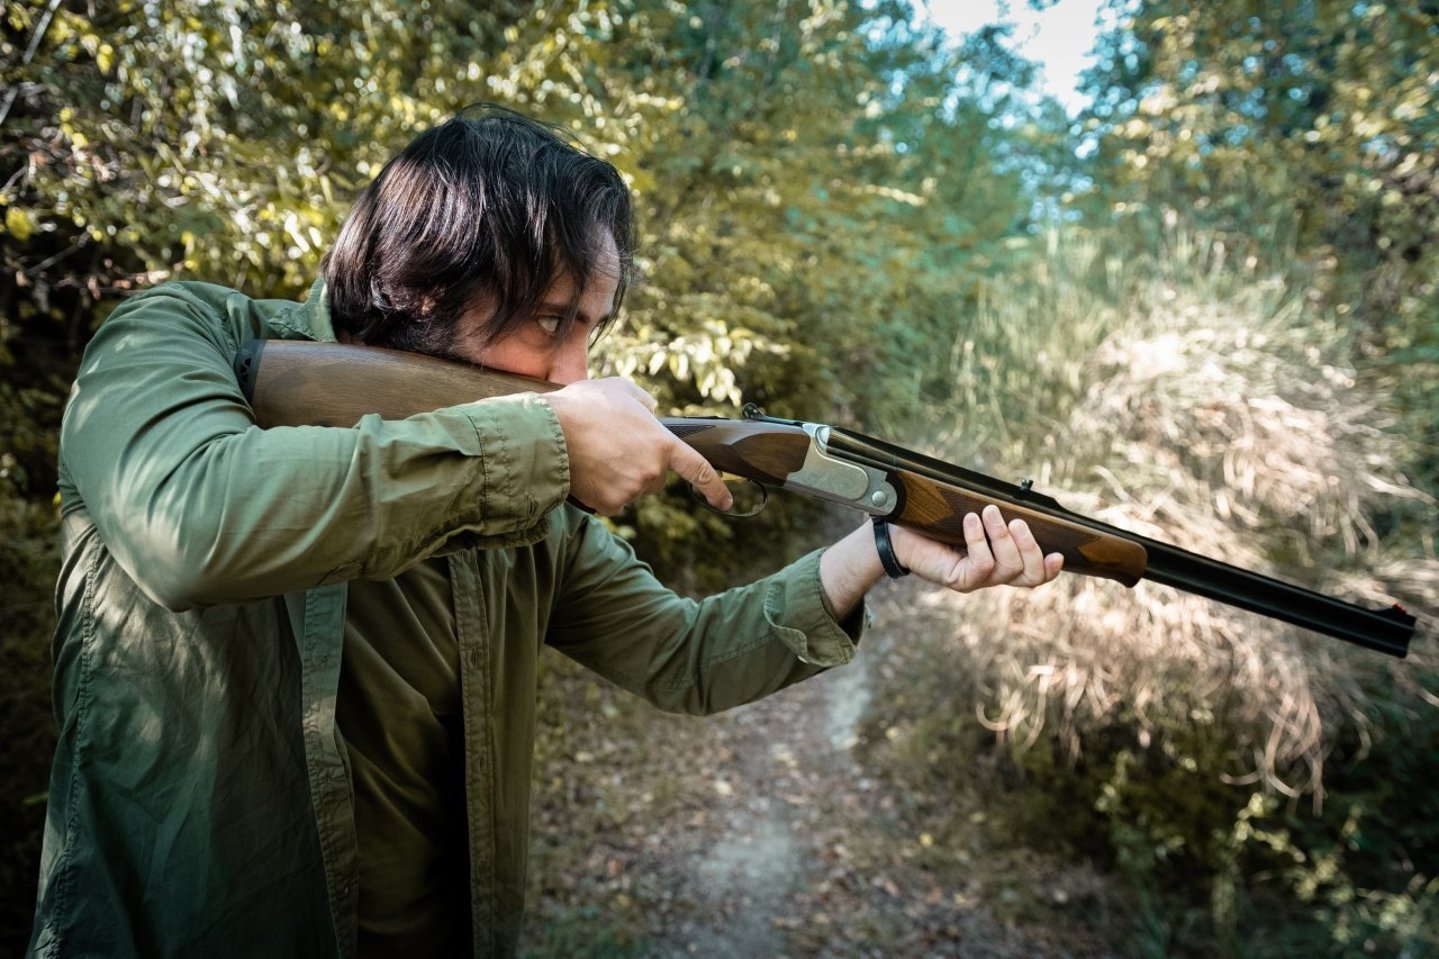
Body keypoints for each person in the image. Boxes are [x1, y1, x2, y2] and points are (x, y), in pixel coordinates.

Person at [28, 105, 1062, 958]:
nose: (574, 374)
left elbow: (684, 657)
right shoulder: (183, 338)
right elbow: (190, 524)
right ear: (417, 283)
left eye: (591, 330)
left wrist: (875, 550)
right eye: (549, 321)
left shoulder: (523, 483)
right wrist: (545, 449)